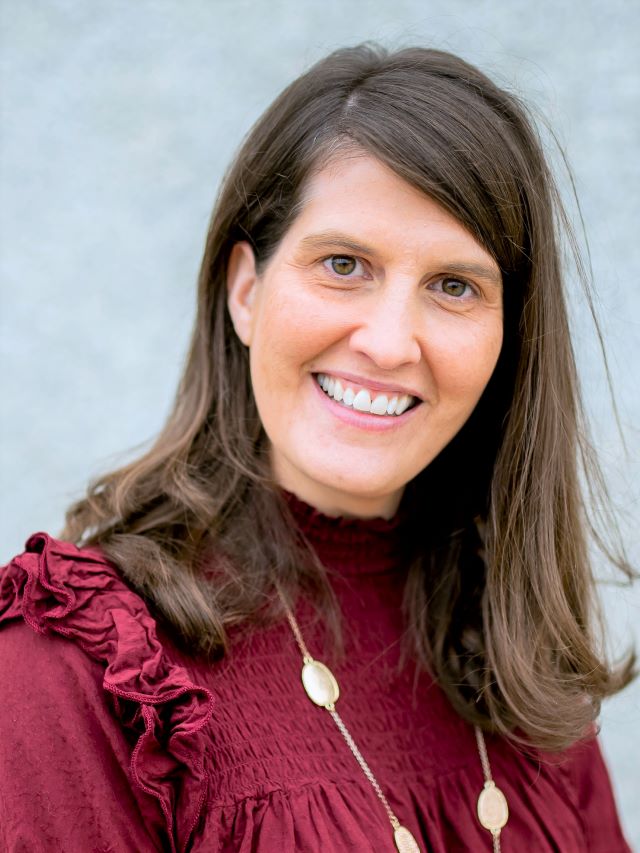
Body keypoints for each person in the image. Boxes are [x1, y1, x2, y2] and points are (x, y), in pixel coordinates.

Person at [0, 44, 635, 853]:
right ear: (246, 291)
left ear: (509, 338)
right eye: (344, 264)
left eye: (454, 286)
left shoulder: (517, 662)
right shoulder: (83, 674)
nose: (389, 341)